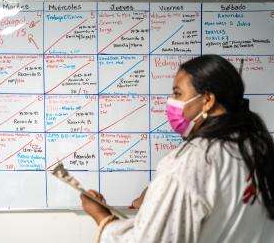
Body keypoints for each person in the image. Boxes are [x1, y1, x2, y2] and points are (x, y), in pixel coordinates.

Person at [80, 55, 274, 242]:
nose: (171, 102)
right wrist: (159, 195)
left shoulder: (193, 159)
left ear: (207, 100)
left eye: (177, 93)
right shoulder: (257, 145)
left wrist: (102, 217)